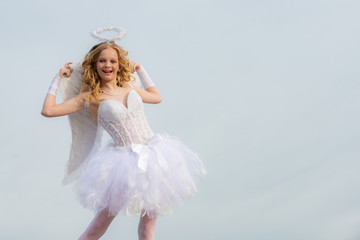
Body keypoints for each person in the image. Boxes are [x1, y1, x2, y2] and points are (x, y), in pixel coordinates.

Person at [41, 40, 206, 240]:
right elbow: (48, 111)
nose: (108, 65)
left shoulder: (130, 87)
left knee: (148, 226)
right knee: (99, 225)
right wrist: (57, 79)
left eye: (113, 61)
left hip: (154, 156)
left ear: (119, 64)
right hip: (122, 164)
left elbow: (156, 97)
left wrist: (141, 70)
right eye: (102, 61)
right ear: (95, 65)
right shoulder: (91, 97)